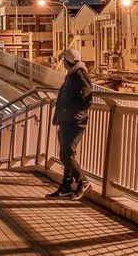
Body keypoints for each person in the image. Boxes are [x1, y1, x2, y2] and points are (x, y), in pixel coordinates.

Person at [46, 48, 93, 200]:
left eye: (63, 61)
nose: (63, 64)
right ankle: (65, 186)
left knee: (66, 155)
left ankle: (83, 182)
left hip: (75, 121)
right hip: (68, 120)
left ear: (67, 61)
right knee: (67, 154)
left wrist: (71, 111)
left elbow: (86, 99)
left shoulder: (80, 75)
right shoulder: (73, 74)